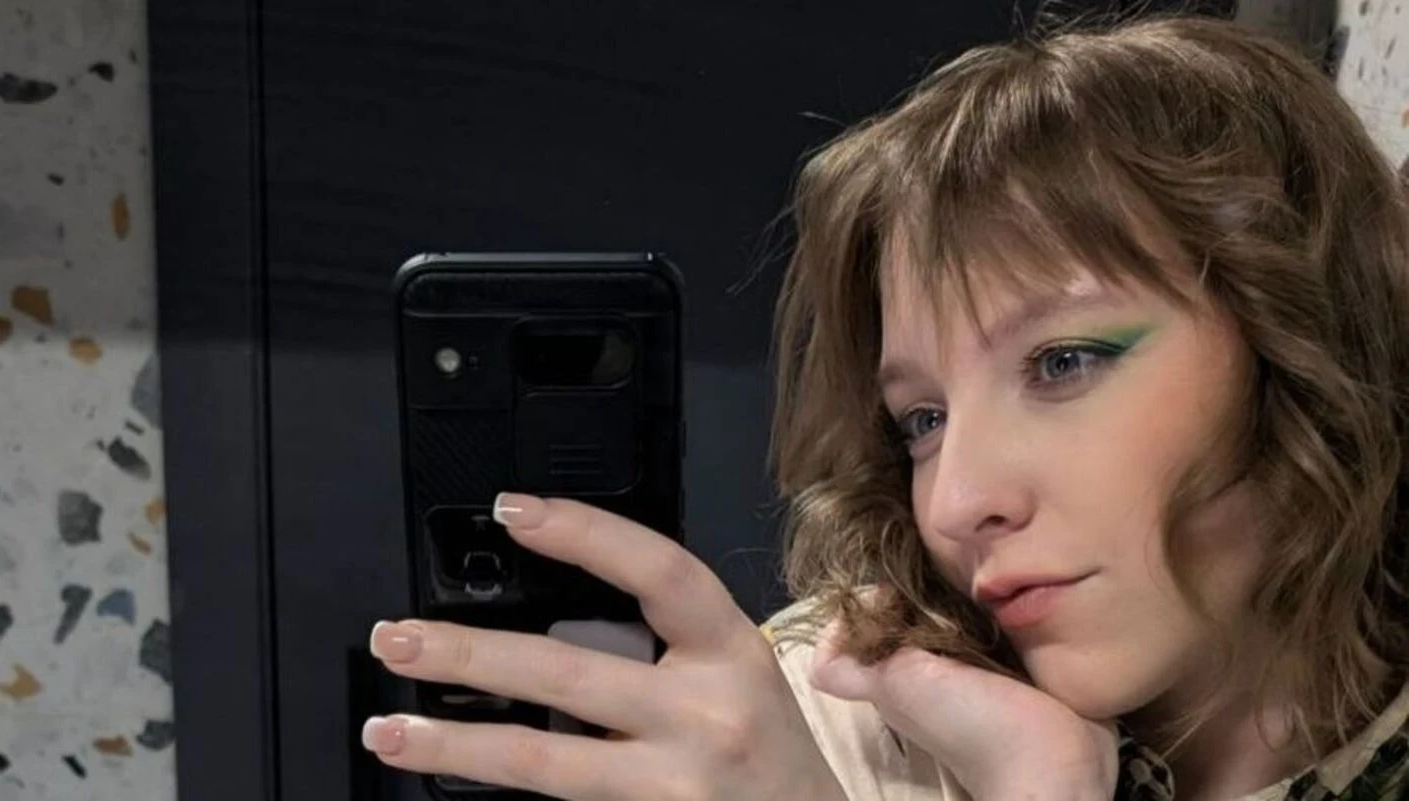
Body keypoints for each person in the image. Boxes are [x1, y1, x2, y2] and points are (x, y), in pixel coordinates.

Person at [359, 13, 1409, 801]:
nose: (953, 503)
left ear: (1303, 339)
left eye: (1060, 362)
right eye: (922, 420)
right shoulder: (820, 722)